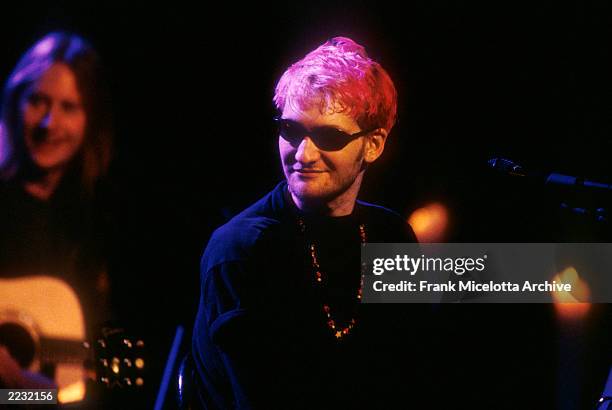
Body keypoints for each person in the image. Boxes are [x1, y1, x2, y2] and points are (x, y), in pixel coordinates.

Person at [192, 37, 435, 409]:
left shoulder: (391, 236)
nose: (303, 154)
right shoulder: (243, 250)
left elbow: (413, 375)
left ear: (374, 144)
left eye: (328, 135)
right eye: (291, 131)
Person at [0, 32, 113, 393]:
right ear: (14, 102)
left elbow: (60, 396)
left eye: (69, 107)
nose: (49, 123)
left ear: (90, 120)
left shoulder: (94, 226)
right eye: (37, 101)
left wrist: (24, 393)